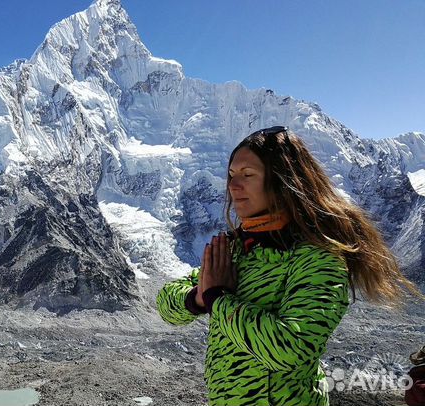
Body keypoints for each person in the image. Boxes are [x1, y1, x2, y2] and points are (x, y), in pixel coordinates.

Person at [156, 126, 423, 405]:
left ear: (283, 181)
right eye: (232, 175)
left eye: (247, 175)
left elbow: (290, 349)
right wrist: (198, 297)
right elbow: (166, 304)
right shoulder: (239, 249)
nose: (234, 186)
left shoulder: (319, 257)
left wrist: (217, 299)